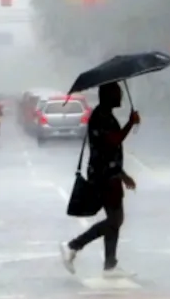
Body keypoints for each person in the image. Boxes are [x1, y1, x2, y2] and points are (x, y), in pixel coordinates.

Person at [60, 82, 140, 276]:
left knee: (115, 219)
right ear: (107, 96)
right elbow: (112, 141)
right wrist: (130, 123)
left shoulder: (105, 115)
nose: (120, 97)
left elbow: (110, 151)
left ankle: (110, 265)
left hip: (110, 174)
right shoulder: (100, 116)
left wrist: (122, 175)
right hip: (104, 177)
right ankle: (73, 246)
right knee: (115, 219)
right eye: (116, 93)